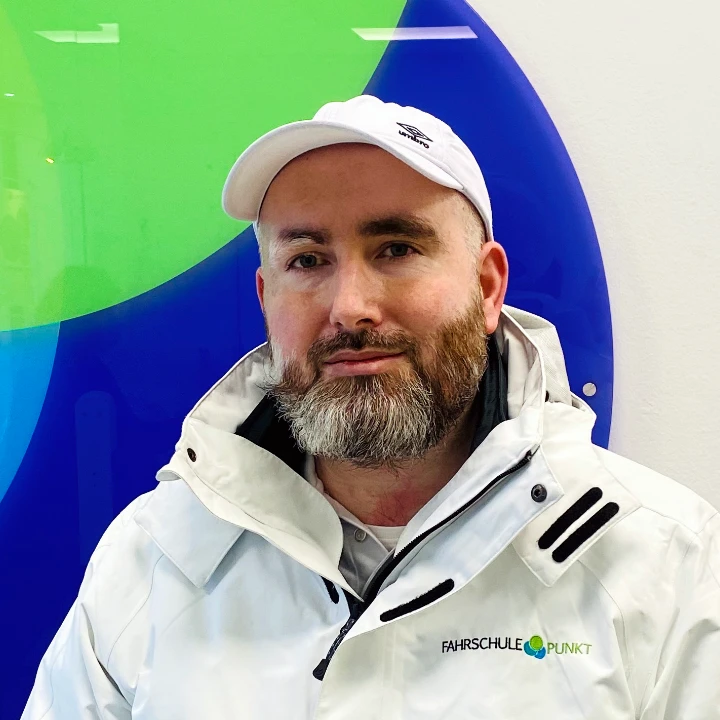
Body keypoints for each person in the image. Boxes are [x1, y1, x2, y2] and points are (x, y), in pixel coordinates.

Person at [22, 95, 720, 719]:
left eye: (395, 248)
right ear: (266, 297)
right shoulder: (153, 560)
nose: (349, 307)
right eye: (307, 260)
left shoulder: (663, 563)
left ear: (486, 287)